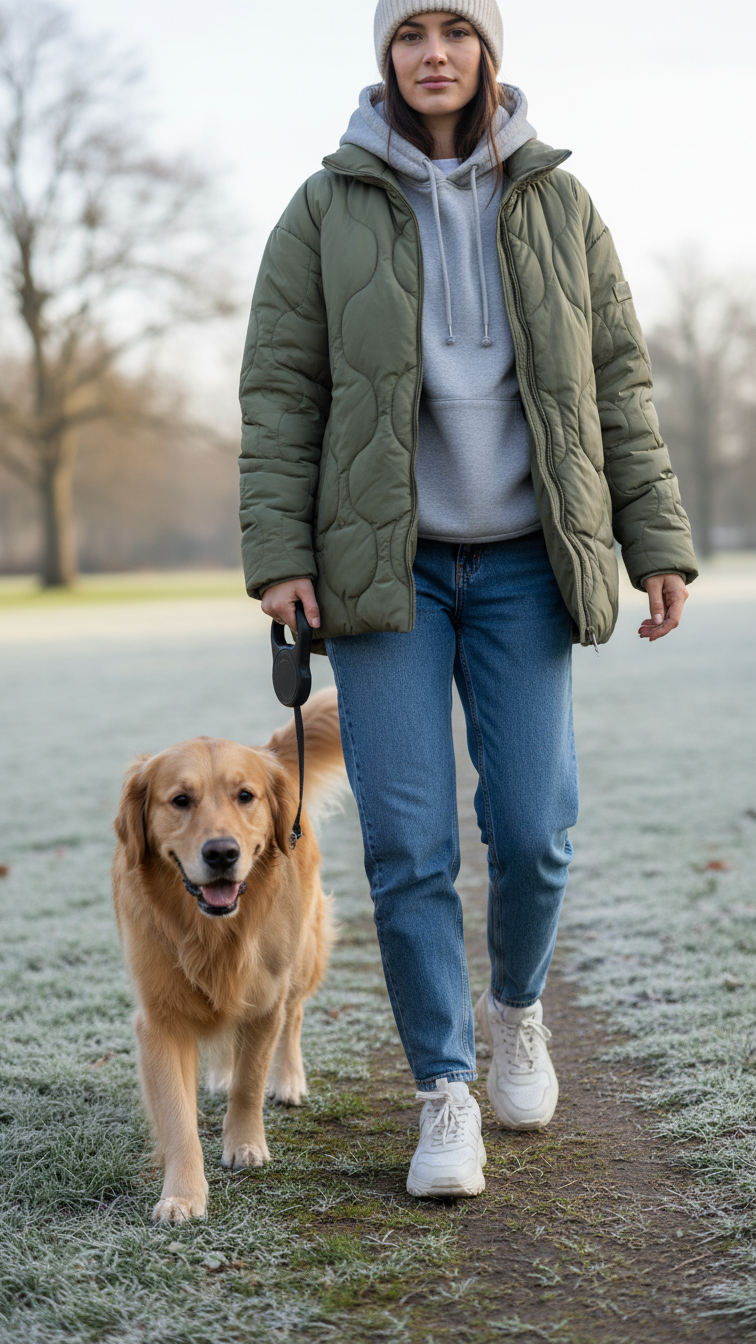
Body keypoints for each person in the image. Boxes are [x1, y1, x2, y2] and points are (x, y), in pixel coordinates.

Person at [238, 0, 697, 1199]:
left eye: (455, 27)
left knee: (536, 829)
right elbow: (280, 391)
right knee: (406, 845)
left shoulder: (556, 200)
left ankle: (518, 1015)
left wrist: (657, 541)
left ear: (488, 50)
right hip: (383, 575)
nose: (432, 50)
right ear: (384, 56)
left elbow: (617, 382)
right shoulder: (322, 207)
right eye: (409, 32)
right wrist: (280, 549)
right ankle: (445, 1093)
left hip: (526, 567)